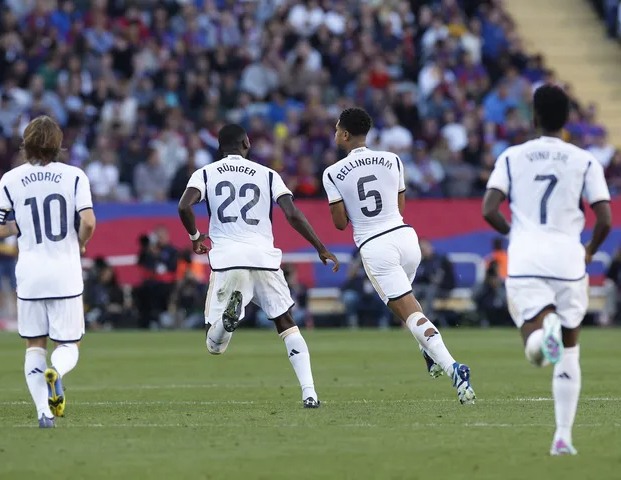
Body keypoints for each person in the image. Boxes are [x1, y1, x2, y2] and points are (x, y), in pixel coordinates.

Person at [482, 84, 612, 455]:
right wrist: (589, 251)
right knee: (569, 353)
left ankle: (543, 334)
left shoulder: (512, 156)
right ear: (567, 118)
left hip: (526, 258)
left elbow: (489, 209)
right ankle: (563, 438)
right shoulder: (585, 160)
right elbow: (605, 218)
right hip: (569, 259)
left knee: (534, 350)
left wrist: (515, 233)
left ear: (534, 117)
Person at [177, 123, 339, 408]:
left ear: (219, 147)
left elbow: (183, 206)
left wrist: (195, 237)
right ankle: (310, 393)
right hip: (264, 259)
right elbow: (292, 213)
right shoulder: (268, 174)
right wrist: (320, 247)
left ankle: (228, 321)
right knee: (287, 324)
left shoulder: (205, 173)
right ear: (246, 143)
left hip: (228, 260)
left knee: (215, 345)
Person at [322, 108, 476, 404]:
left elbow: (340, 223)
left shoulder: (332, 172)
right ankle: (427, 350)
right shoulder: (392, 159)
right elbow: (400, 205)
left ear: (345, 134)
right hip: (406, 238)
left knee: (410, 314)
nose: (335, 133)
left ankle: (453, 368)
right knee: (410, 307)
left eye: (337, 129)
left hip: (376, 245)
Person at [0, 115, 97, 428]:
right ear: (58, 143)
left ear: (27, 143)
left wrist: (19, 225)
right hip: (64, 272)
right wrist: (80, 243)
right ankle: (57, 372)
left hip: (30, 274)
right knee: (69, 344)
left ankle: (44, 412)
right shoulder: (74, 176)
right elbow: (88, 222)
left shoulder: (11, 179)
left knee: (34, 345)